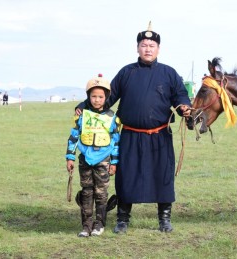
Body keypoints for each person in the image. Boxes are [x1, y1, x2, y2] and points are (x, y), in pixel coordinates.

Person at [75, 22, 191, 234]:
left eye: (152, 45)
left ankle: (164, 218)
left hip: (160, 136)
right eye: (144, 44)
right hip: (129, 136)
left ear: (158, 49)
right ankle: (122, 219)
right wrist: (84, 107)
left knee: (163, 176)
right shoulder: (126, 72)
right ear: (137, 48)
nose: (148, 48)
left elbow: (180, 96)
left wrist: (185, 107)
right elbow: (107, 98)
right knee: (126, 175)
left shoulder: (169, 73)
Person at [66, 74, 121, 237]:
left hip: (103, 160)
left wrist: (114, 162)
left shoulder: (113, 118)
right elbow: (74, 136)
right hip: (85, 160)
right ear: (88, 97)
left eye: (100, 97)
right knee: (87, 191)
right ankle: (86, 224)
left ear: (107, 97)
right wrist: (70, 157)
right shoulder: (81, 115)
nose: (97, 100)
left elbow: (116, 141)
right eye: (93, 96)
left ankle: (99, 224)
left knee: (101, 192)